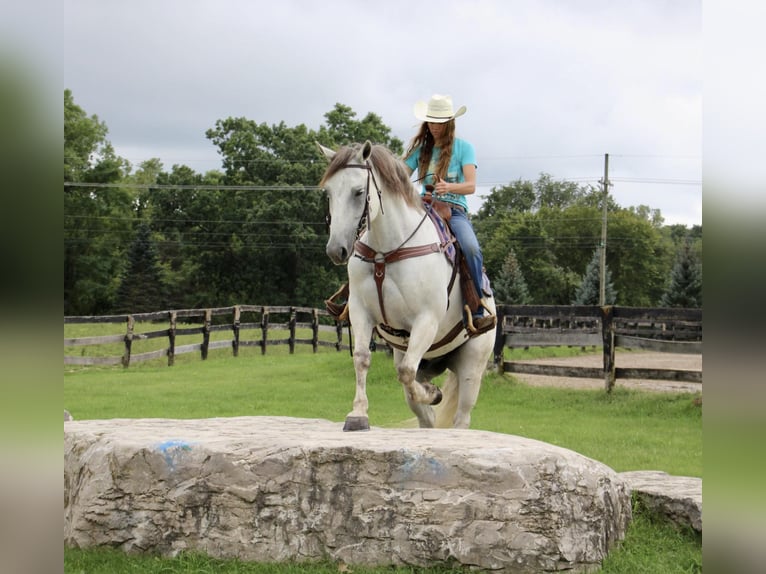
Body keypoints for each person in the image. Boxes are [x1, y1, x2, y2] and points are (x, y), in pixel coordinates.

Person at [403, 94, 495, 333]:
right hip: (424, 208)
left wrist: (449, 187)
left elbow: (471, 186)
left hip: (454, 211)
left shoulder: (464, 148)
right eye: (430, 121)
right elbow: (400, 174)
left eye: (439, 121)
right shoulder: (421, 150)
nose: (434, 126)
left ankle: (476, 307)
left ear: (449, 122)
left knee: (471, 248)